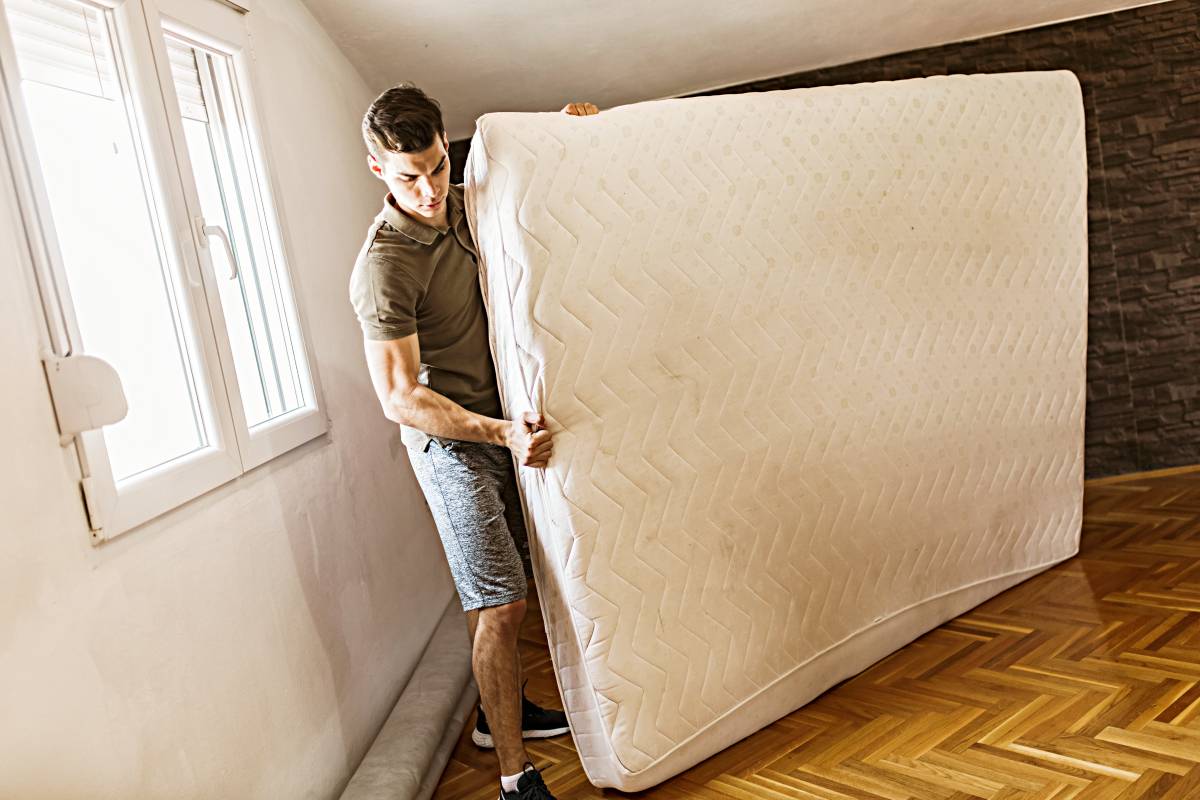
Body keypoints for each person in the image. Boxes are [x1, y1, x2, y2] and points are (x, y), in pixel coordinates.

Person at [349, 83, 599, 800]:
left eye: (435, 168)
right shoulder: (384, 267)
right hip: (450, 444)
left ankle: (499, 720)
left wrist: (569, 131)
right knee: (500, 601)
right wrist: (498, 433)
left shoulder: (463, 201)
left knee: (520, 583)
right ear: (376, 171)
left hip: (505, 422)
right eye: (408, 178)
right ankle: (514, 777)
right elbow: (400, 398)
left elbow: (523, 167)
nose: (428, 190)